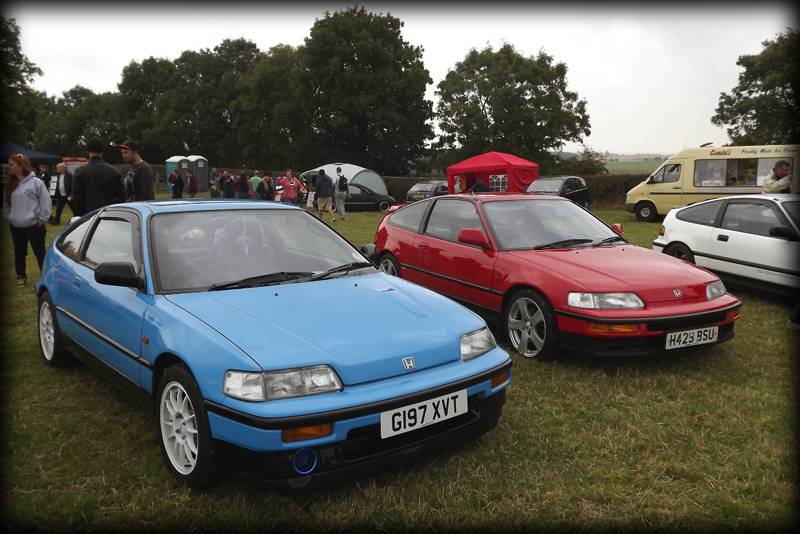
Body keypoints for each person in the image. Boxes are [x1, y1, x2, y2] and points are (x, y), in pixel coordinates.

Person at [3, 154, 52, 286]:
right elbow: (6, 204)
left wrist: (42, 219)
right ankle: (20, 276)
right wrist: (10, 217)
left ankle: (46, 276)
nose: (9, 167)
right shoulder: (10, 184)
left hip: (34, 226)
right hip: (16, 227)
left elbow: (45, 202)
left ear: (21, 166)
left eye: (12, 164)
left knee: (40, 251)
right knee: (19, 252)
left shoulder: (36, 183)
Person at [71, 137, 125, 216]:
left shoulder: (80, 172)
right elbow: (122, 197)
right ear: (102, 151)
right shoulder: (114, 171)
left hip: (88, 217)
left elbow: (77, 198)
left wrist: (79, 217)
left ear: (88, 151)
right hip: (110, 216)